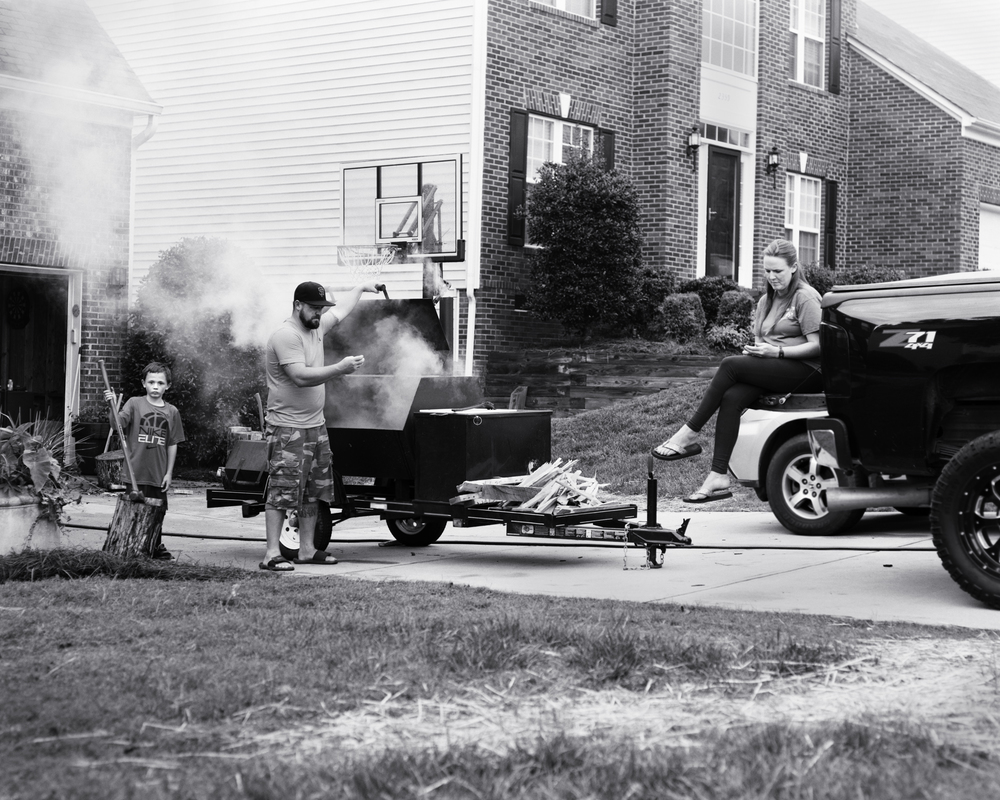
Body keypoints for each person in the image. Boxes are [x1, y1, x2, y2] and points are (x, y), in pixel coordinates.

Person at [651, 238, 823, 503]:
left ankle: (689, 432)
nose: (772, 276)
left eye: (778, 270)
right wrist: (757, 353)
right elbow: (761, 342)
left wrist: (776, 352)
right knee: (732, 397)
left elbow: (818, 346)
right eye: (767, 270)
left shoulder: (805, 296)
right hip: (776, 367)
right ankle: (718, 475)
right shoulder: (766, 301)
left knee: (729, 364)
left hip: (808, 371)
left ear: (793, 267)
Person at [259, 279, 382, 572]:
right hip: (288, 428)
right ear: (298, 305)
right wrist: (340, 368)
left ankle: (306, 549)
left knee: (312, 491)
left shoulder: (316, 327)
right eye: (314, 308)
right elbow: (300, 376)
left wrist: (361, 288)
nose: (319, 313)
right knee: (282, 491)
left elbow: (341, 312)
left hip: (316, 426)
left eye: (321, 308)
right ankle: (271, 554)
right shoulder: (286, 336)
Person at [104, 362, 186, 559]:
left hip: (158, 473)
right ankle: (129, 544)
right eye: (151, 382)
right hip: (135, 471)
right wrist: (112, 405)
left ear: (168, 386)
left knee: (158, 510)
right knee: (133, 510)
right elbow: (117, 425)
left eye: (160, 383)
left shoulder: (172, 412)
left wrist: (169, 473)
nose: (155, 386)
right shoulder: (134, 404)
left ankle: (154, 545)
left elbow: (172, 443)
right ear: (143, 383)